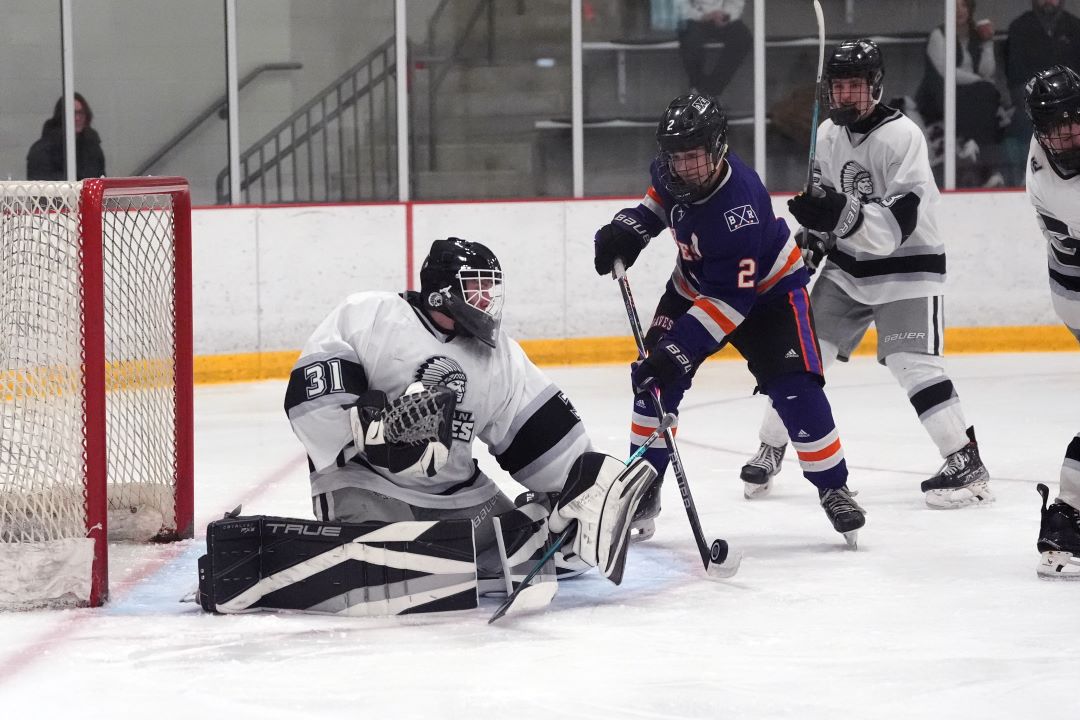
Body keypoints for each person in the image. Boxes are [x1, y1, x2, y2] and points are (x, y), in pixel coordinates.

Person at [282, 237, 656, 591]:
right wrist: (370, 436)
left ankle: (513, 541)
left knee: (552, 537)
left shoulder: (497, 357)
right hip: (370, 486)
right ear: (441, 292)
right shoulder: (370, 315)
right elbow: (311, 397)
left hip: (459, 498)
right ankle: (389, 550)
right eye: (477, 289)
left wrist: (580, 485)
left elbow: (536, 429)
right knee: (389, 546)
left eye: (491, 290)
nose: (487, 300)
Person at [592, 93, 866, 546]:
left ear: (718, 148)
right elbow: (657, 204)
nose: (685, 168)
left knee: (796, 390)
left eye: (694, 157)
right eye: (676, 157)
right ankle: (642, 487)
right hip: (695, 286)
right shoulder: (672, 168)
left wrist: (676, 352)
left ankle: (833, 486)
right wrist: (629, 230)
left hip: (768, 297)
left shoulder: (741, 204)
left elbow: (729, 304)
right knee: (654, 385)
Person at [741, 39, 992, 510]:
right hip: (850, 267)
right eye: (839, 87)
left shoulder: (903, 137)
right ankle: (772, 446)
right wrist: (803, 256)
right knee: (800, 357)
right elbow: (825, 218)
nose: (845, 96)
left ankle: (965, 461)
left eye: (855, 86)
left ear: (875, 86)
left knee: (911, 363)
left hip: (907, 267)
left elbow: (898, 223)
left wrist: (840, 214)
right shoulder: (829, 137)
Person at [1023, 65, 1080, 578]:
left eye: (1074, 119)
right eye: (1057, 125)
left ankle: (1067, 512)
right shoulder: (1058, 187)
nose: (1069, 131)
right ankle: (1069, 512)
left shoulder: (1046, 153)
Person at [915, 0, 1005, 187]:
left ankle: (985, 165)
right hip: (939, 97)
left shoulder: (975, 35)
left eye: (963, 5)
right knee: (985, 92)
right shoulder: (938, 35)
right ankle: (981, 166)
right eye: (954, 5)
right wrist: (980, 82)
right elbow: (948, 72)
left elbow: (987, 72)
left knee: (987, 95)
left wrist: (987, 43)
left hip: (973, 97)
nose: (958, 10)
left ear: (970, 8)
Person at [1004, 1, 1080, 186]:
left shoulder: (1075, 27)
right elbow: (1015, 77)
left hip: (1074, 104)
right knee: (1021, 122)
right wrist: (1036, 102)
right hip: (1036, 105)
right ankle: (1029, 178)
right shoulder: (1019, 28)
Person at [675, 0, 752, 98]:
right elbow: (680, 4)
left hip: (723, 16)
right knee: (690, 39)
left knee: (742, 37)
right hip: (693, 18)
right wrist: (702, 16)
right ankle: (697, 86)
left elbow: (736, 3)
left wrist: (726, 15)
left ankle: (710, 90)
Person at [26, 93, 106, 181]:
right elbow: (40, 188)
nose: (78, 118)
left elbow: (100, 182)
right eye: (73, 113)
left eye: (81, 113)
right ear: (61, 116)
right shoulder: (42, 150)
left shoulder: (92, 147)